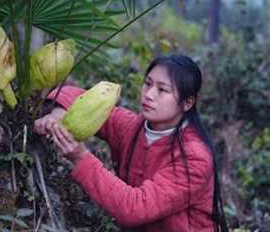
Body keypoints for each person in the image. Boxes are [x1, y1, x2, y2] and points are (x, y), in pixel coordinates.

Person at [33, 55, 228, 232]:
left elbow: (133, 208)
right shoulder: (132, 127)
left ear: (187, 103)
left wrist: (80, 158)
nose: (149, 94)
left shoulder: (195, 158)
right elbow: (72, 94)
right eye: (148, 84)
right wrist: (58, 114)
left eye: (162, 90)